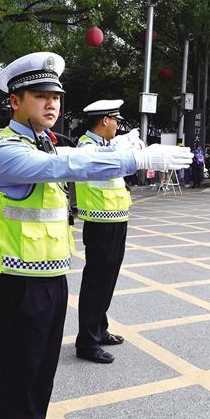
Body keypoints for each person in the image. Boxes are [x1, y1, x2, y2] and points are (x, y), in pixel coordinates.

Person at [0, 52, 190, 419]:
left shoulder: (43, 143)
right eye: (40, 96)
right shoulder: (8, 151)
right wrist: (138, 158)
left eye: (56, 96)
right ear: (15, 100)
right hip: (18, 284)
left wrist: (130, 152)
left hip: (51, 277)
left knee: (42, 373)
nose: (51, 104)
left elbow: (70, 160)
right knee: (19, 375)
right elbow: (71, 165)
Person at [73, 99, 138, 364]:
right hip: (100, 224)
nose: (118, 126)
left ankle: (100, 330)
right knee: (96, 283)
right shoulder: (87, 147)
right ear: (104, 121)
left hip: (115, 220)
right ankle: (87, 342)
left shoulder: (105, 146)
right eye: (117, 121)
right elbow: (111, 164)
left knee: (107, 280)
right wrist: (125, 151)